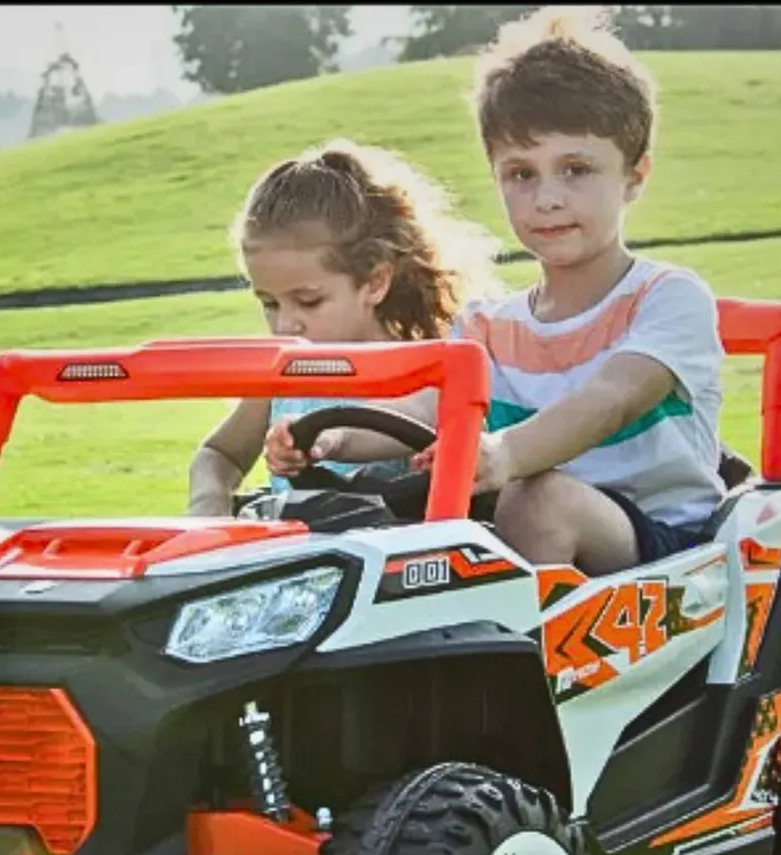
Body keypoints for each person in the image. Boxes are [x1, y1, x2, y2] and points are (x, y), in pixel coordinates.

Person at [266, 5, 728, 575]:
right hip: (530, 526)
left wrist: (506, 453)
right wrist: (333, 438)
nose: (548, 198)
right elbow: (428, 408)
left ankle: (518, 663)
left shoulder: (666, 299)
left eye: (576, 169)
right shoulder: (487, 325)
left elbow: (611, 400)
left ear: (634, 176)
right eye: (521, 174)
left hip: (665, 556)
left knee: (538, 499)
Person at [186, 138, 501, 517]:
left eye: (309, 301)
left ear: (374, 282)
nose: (285, 324)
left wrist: (331, 440)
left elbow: (424, 417)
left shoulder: (422, 371)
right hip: (294, 562)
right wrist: (209, 508)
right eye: (269, 303)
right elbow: (218, 454)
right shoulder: (278, 381)